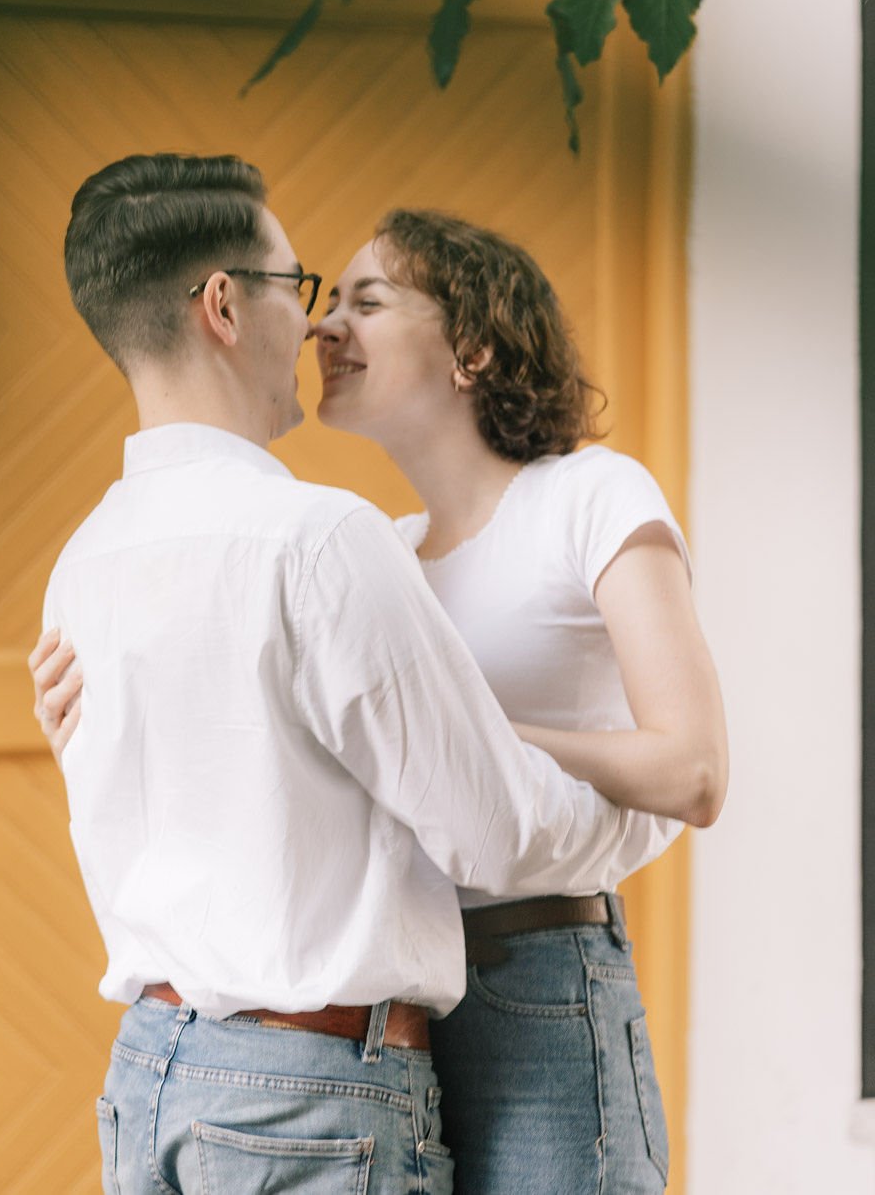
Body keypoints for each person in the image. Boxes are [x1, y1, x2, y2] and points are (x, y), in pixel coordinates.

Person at [36, 153, 682, 1195]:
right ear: (223, 306)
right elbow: (496, 832)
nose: (319, 326)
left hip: (154, 1079)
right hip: (306, 1093)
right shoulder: (324, 539)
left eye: (358, 300)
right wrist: (646, 815)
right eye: (302, 291)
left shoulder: (84, 562)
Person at [310, 208, 727, 1194]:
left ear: (473, 347)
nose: (326, 327)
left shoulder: (590, 496)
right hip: (394, 1005)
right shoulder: (385, 554)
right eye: (328, 303)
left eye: (367, 301)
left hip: (539, 980)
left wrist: (477, 736)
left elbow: (693, 770)